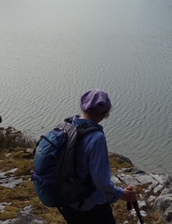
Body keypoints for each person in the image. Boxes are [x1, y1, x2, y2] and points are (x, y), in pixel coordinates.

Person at [58, 89, 138, 224]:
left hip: (66, 200)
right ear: (105, 113)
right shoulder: (96, 138)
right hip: (89, 205)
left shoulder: (67, 126)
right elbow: (101, 181)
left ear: (83, 107)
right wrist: (121, 194)